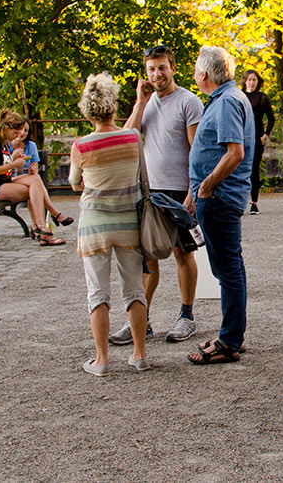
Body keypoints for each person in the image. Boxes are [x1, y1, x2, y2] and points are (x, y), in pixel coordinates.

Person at [109, 45, 203, 346]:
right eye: (151, 69)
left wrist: (193, 191)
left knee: (182, 252)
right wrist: (139, 103)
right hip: (150, 192)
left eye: (162, 67)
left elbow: (196, 152)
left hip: (179, 190)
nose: (157, 74)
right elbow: (126, 136)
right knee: (147, 256)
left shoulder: (188, 101)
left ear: (172, 67)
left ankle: (186, 316)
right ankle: (141, 319)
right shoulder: (146, 103)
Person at [70, 72, 149, 376]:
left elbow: (75, 183)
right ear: (114, 106)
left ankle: (101, 360)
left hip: (94, 225)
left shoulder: (81, 146)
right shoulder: (132, 138)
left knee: (98, 292)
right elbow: (142, 176)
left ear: (88, 110)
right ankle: (140, 354)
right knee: (135, 291)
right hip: (128, 222)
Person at [187, 46, 255, 365]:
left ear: (204, 75)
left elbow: (235, 152)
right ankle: (231, 335)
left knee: (228, 269)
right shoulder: (228, 98)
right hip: (217, 197)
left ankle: (229, 341)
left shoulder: (227, 101)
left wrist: (206, 185)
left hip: (219, 198)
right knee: (229, 268)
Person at [0, 109, 69, 245]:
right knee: (35, 190)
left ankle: (43, 225)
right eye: (15, 133)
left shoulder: (4, 143)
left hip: (6, 181)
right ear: (6, 128)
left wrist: (15, 159)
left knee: (36, 179)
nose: (17, 136)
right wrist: (13, 164)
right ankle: (42, 226)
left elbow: (7, 164)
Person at [240, 69, 275, 215]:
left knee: (254, 170)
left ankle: (254, 203)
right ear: (245, 81)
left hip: (256, 138)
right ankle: (239, 203)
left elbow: (271, 118)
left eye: (254, 80)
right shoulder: (239, 97)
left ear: (258, 82)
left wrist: (265, 135)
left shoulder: (262, 98)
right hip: (240, 138)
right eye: (249, 79)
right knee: (239, 171)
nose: (252, 82)